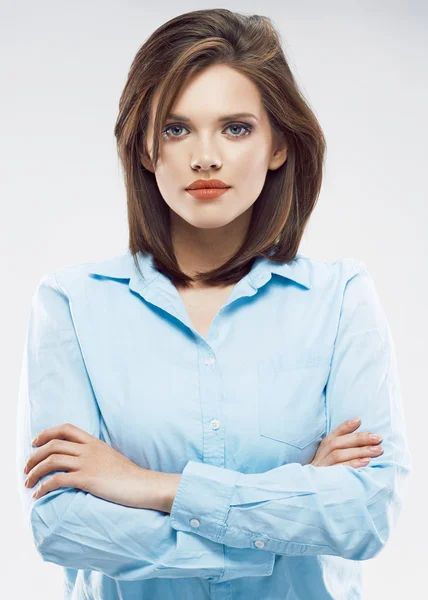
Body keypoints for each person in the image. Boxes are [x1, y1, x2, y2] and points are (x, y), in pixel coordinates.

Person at [16, 8, 412, 600]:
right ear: (146, 150)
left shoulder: (339, 300)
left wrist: (145, 485)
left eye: (236, 127)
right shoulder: (71, 304)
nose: (205, 156)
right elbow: (63, 527)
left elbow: (364, 516)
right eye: (176, 129)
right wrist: (294, 499)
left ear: (278, 144)